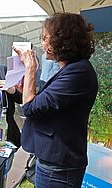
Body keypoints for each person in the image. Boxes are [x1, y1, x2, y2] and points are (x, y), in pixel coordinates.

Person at [14, 13, 98, 188]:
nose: (42, 44)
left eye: (45, 38)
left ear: (63, 39)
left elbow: (30, 108)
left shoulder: (78, 72)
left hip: (59, 167)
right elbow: (48, 104)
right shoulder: (71, 69)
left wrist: (30, 69)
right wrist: (28, 90)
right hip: (55, 162)